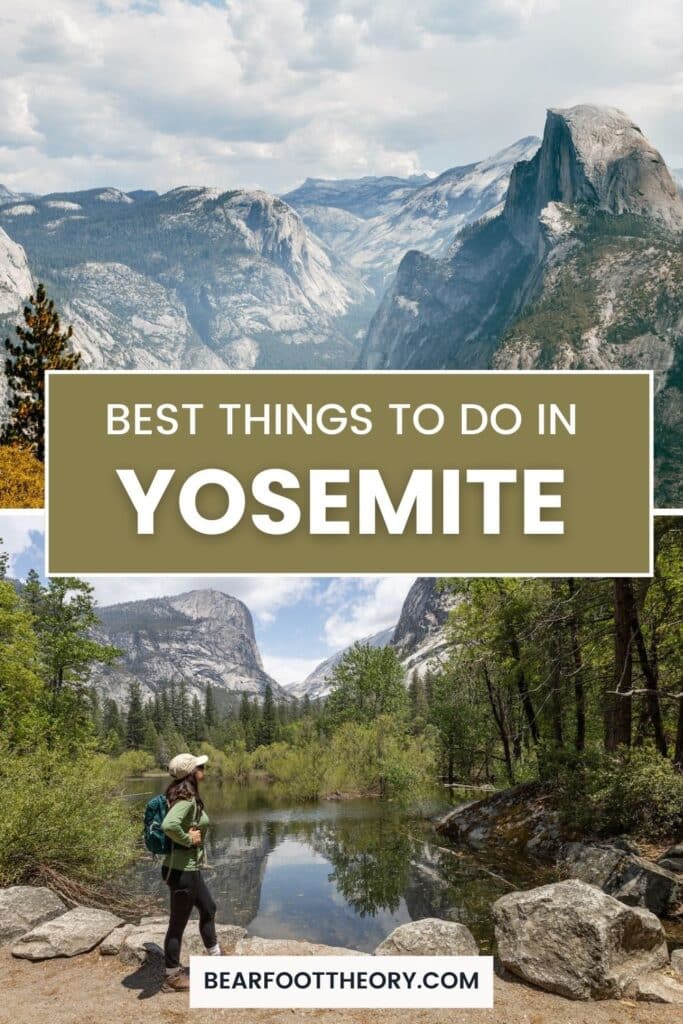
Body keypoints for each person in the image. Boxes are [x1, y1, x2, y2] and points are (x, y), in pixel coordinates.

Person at [160, 752, 222, 993]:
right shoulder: (186, 800)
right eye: (200, 767)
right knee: (177, 924)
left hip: (188, 870)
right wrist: (188, 839)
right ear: (191, 773)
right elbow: (168, 825)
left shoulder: (183, 796)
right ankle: (172, 976)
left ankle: (215, 956)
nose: (203, 769)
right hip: (182, 872)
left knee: (208, 908)